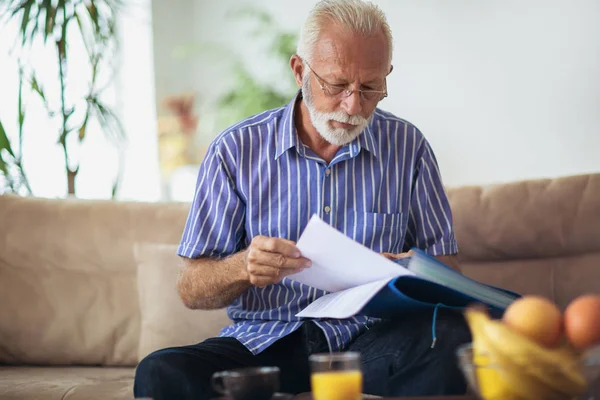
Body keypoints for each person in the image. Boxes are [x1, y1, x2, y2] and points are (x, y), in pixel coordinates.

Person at [134, 0, 471, 398]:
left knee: (453, 333)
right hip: (266, 341)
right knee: (161, 372)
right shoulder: (235, 150)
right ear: (299, 71)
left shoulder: (408, 148)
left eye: (369, 88)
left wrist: (403, 268)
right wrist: (244, 266)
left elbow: (447, 271)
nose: (353, 106)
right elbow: (192, 288)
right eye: (337, 85)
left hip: (371, 341)